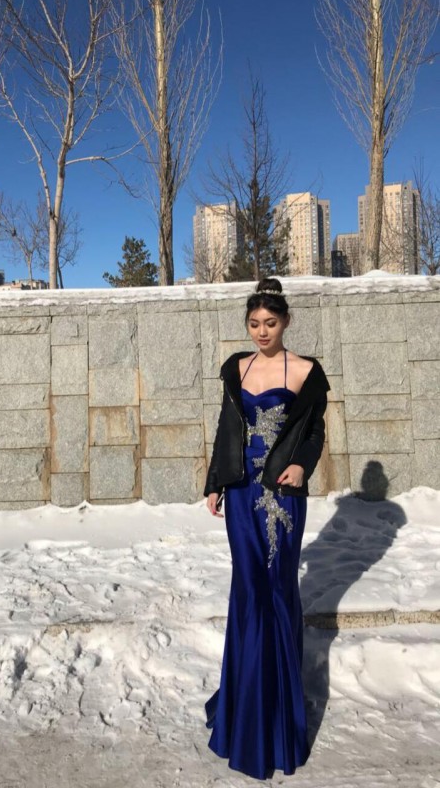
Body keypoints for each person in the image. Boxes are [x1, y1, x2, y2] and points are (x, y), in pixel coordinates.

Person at [204, 277, 330, 780]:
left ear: (286, 322)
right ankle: (244, 709)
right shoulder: (237, 367)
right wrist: (215, 481)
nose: (261, 331)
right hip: (241, 494)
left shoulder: (305, 371)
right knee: (249, 590)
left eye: (270, 323)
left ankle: (277, 721)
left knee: (277, 592)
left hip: (281, 495)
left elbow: (315, 431)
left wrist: (301, 465)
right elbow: (226, 428)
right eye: (254, 323)